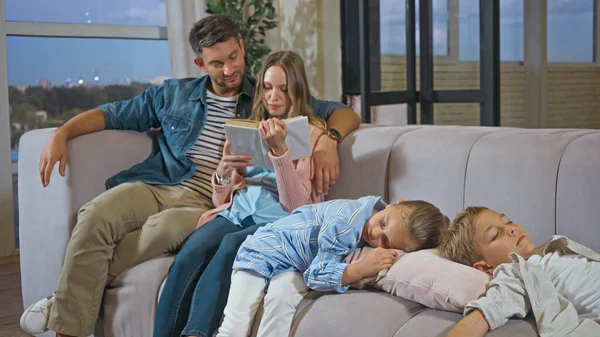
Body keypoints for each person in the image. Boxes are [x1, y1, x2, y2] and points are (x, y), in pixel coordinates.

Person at [20, 15, 360, 337]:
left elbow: (334, 113)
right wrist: (63, 132)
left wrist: (330, 141)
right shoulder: (175, 94)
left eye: (234, 57)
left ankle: (64, 302)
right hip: (161, 183)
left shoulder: (264, 96)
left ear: (242, 47)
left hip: (204, 202)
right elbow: (113, 114)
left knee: (158, 232)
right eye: (217, 63)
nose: (229, 70)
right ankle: (67, 311)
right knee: (94, 214)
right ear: (200, 64)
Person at [153, 49, 329, 337]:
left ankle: (195, 333)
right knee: (189, 254)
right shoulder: (250, 126)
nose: (273, 96)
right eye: (268, 87)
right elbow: (221, 200)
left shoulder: (309, 134)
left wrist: (281, 152)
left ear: (297, 91)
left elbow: (295, 206)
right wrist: (223, 171)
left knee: (229, 248)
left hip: (275, 223)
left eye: (283, 89)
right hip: (237, 214)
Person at [216, 195, 450, 337]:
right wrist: (360, 269)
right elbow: (316, 275)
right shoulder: (346, 224)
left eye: (386, 241)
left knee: (281, 303)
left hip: (295, 264)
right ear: (394, 203)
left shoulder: (382, 219)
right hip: (264, 251)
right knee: (237, 321)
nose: (375, 234)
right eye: (383, 222)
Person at [439, 206, 600, 337]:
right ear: (485, 267)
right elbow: (478, 319)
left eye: (508, 222)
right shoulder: (517, 274)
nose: (511, 229)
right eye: (495, 235)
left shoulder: (548, 252)